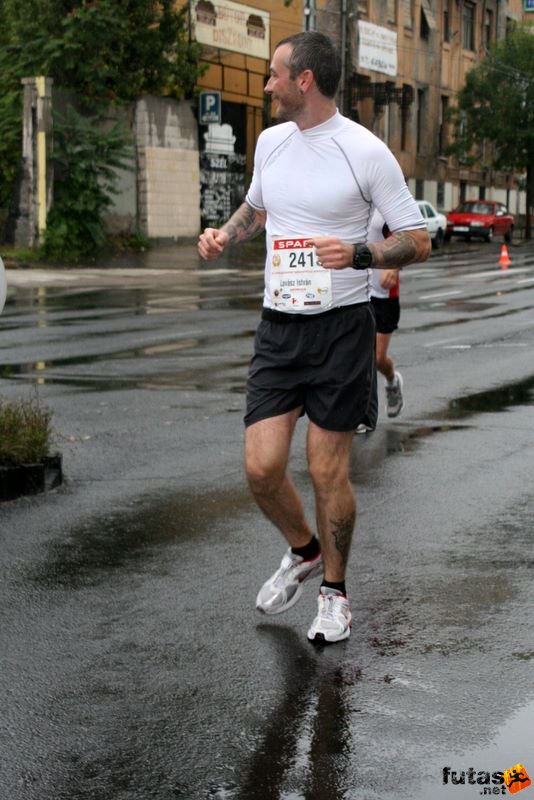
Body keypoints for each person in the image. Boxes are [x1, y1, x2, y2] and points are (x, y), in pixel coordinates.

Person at [198, 31, 431, 644]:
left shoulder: (365, 152)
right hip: (279, 325)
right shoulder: (271, 142)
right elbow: (258, 211)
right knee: (260, 468)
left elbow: (418, 239)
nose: (267, 84)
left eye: (275, 74)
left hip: (340, 331)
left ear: (305, 81)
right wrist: (226, 235)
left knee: (326, 471)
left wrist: (360, 252)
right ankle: (302, 549)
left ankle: (334, 592)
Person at [355, 211, 404, 434]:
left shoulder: (386, 206)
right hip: (357, 290)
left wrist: (393, 268)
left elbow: (404, 239)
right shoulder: (354, 197)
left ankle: (393, 380)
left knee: (376, 357)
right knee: (358, 355)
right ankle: (362, 415)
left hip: (384, 293)